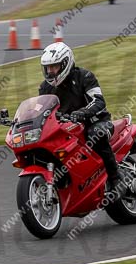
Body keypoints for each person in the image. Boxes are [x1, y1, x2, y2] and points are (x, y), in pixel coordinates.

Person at [38, 42, 127, 198]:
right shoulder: (45, 88)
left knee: (95, 133)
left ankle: (115, 178)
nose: (50, 71)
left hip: (96, 122)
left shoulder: (84, 76)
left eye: (54, 67)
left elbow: (99, 101)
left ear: (66, 63)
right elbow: (42, 110)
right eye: (48, 68)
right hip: (68, 127)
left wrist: (82, 112)